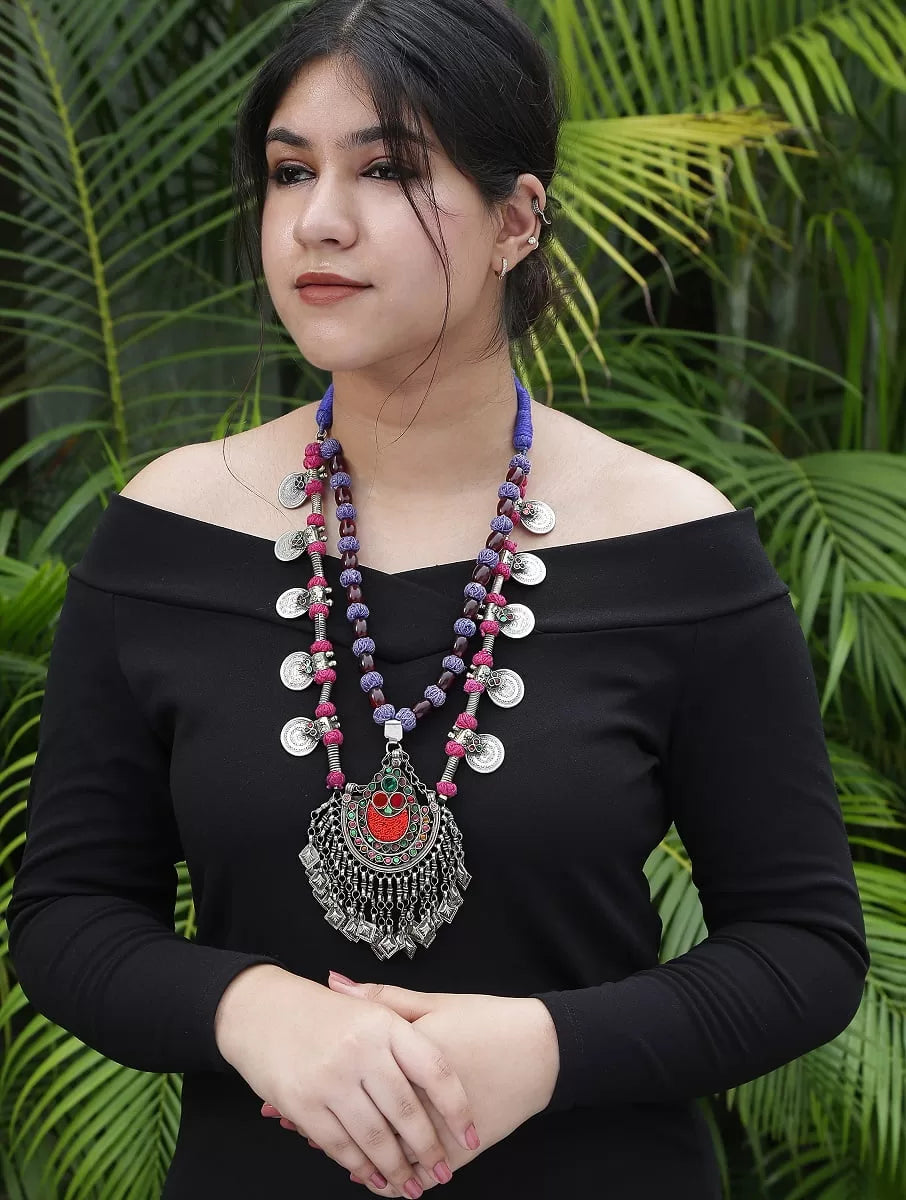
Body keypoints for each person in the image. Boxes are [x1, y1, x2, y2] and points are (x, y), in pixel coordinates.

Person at [6, 1, 870, 1197]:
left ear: (518, 219)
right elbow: (67, 915)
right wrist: (252, 1009)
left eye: (389, 170)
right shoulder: (171, 531)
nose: (318, 219)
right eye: (289, 170)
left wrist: (539, 1048)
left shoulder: (677, 544)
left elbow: (804, 952)